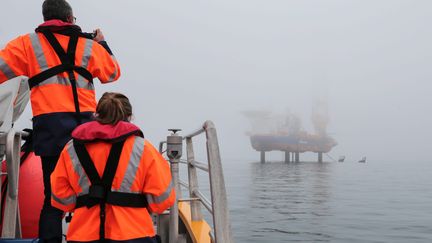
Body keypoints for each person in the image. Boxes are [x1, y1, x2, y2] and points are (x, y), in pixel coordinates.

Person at [0, 0, 121, 242]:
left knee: (52, 199)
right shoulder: (89, 46)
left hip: (50, 131)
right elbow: (112, 73)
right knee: (88, 195)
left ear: (45, 18)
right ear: (69, 18)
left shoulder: (26, 44)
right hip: (86, 132)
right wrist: (102, 43)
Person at [50, 92, 175, 243]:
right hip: (135, 235)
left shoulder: (71, 149)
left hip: (83, 235)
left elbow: (61, 198)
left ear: (97, 115)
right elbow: (161, 201)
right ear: (129, 117)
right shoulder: (144, 148)